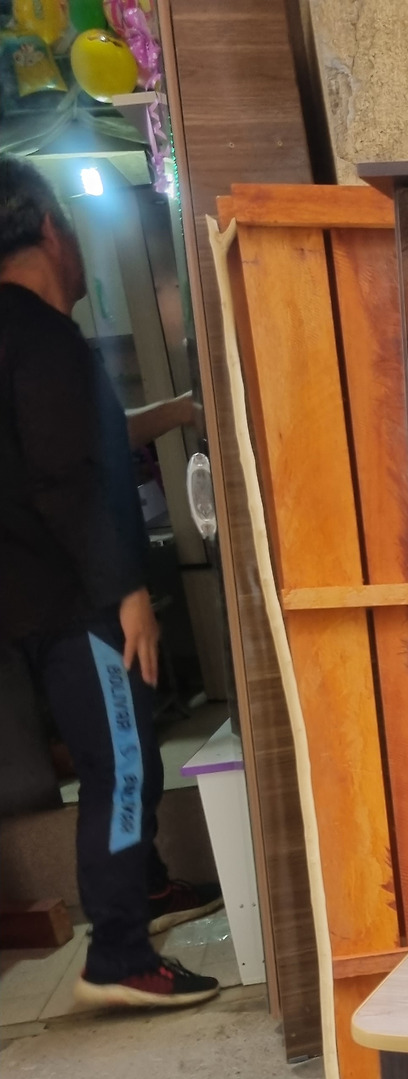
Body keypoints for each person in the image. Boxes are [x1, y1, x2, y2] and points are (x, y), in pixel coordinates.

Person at [0, 158, 222, 1010]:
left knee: (115, 749)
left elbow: (75, 441)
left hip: (32, 598)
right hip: (77, 600)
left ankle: (148, 884)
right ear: (49, 228)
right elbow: (66, 476)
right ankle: (119, 952)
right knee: (122, 761)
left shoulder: (13, 336)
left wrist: (179, 410)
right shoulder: (43, 336)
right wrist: (125, 589)